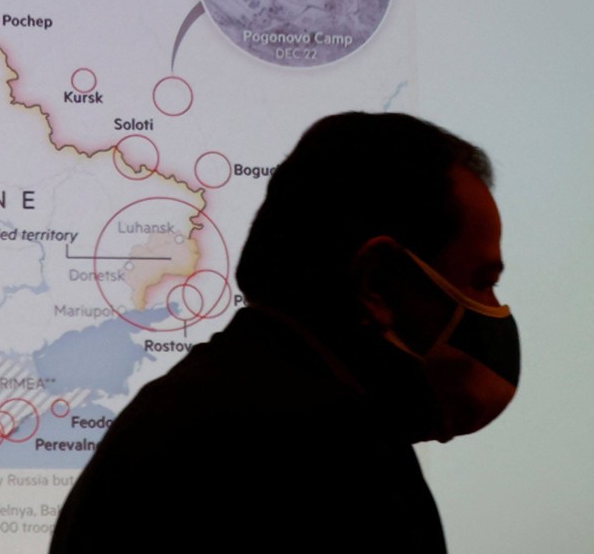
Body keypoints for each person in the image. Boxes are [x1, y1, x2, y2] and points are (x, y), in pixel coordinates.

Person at [49, 112, 519, 553]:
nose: (492, 311)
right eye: (482, 282)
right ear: (376, 280)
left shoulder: (181, 405)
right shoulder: (341, 459)